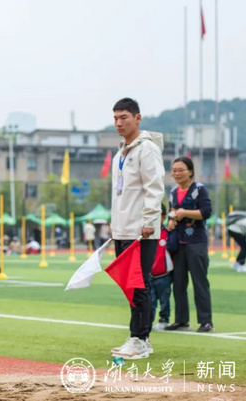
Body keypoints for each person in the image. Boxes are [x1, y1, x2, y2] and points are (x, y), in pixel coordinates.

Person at [109, 98, 165, 360]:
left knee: (138, 284)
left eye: (124, 117)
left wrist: (149, 221)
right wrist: (114, 226)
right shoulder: (121, 152)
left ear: (137, 118)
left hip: (141, 231)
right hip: (122, 229)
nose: (119, 123)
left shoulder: (147, 149)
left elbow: (155, 187)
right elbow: (119, 194)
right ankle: (142, 337)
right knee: (129, 287)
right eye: (116, 118)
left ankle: (139, 338)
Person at [165, 156, 214, 333]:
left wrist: (184, 212)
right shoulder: (172, 192)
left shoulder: (199, 189)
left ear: (190, 172)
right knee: (178, 283)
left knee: (199, 282)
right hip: (178, 243)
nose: (176, 173)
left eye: (180, 170)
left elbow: (206, 212)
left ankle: (206, 321)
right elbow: (172, 213)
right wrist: (170, 222)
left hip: (196, 242)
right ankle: (181, 320)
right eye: (174, 170)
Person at [151, 204, 173, 331]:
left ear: (163, 217)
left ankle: (164, 319)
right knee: (150, 300)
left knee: (165, 299)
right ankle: (148, 321)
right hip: (150, 273)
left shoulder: (167, 233)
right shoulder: (146, 233)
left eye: (157, 216)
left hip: (163, 274)